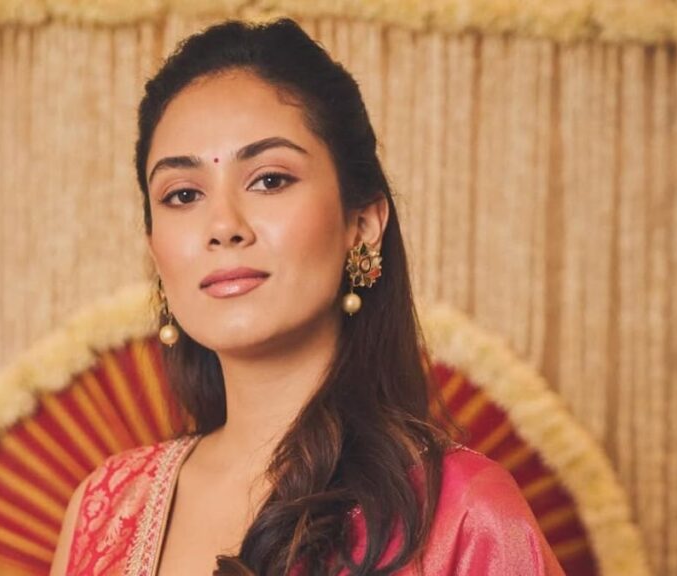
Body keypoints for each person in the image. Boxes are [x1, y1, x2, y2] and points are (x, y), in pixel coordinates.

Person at [49, 18, 564, 576]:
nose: (223, 226)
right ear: (155, 250)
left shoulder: (463, 514)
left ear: (362, 224)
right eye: (183, 194)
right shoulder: (104, 509)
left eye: (269, 180)